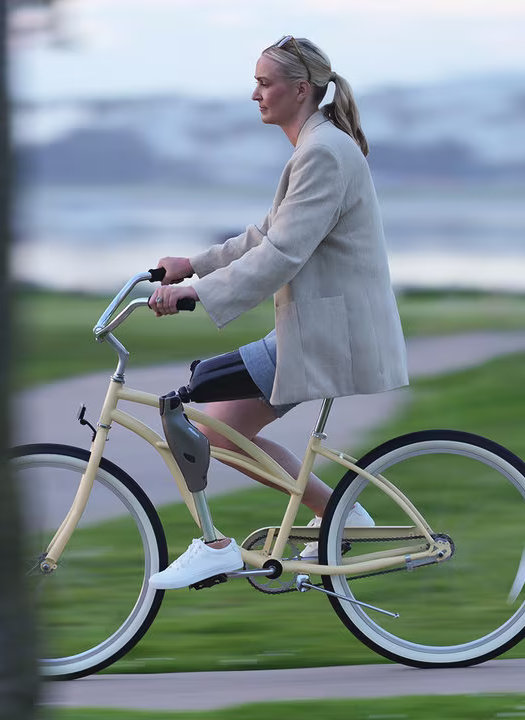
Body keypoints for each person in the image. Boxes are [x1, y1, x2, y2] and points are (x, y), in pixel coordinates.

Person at [145, 36, 408, 590]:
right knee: (214, 425)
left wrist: (196, 294)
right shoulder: (317, 147)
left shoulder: (322, 153)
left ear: (300, 89)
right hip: (317, 328)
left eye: (265, 83)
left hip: (326, 334)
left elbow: (282, 255)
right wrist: (191, 265)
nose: (255, 94)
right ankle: (338, 517)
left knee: (203, 417)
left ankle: (223, 545)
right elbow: (265, 236)